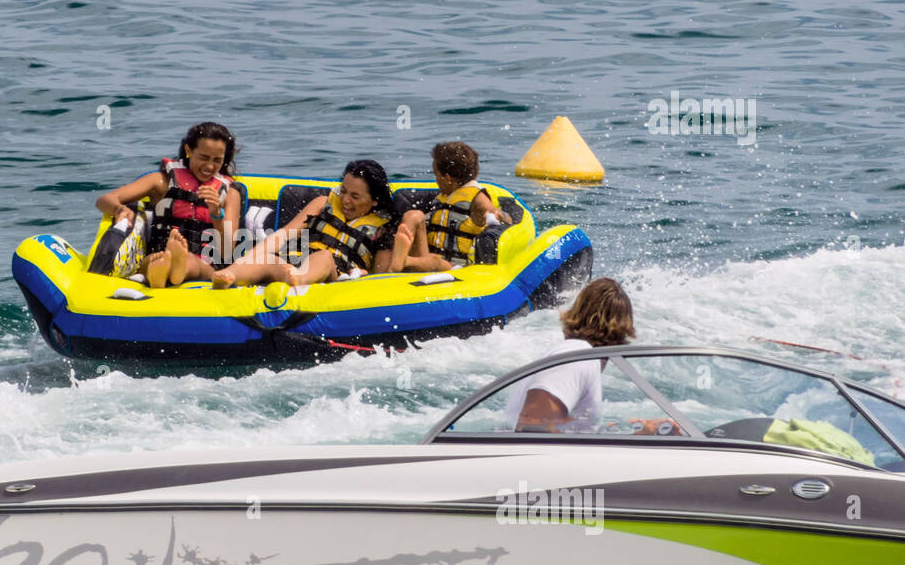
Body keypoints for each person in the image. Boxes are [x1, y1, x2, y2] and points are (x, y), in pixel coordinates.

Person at [93, 122, 242, 288]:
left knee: (190, 262)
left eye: (217, 161)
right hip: (160, 253)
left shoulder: (229, 194)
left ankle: (168, 271)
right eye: (204, 157)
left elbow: (227, 251)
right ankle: (166, 268)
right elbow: (105, 200)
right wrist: (120, 209)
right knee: (153, 259)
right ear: (188, 150)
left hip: (204, 265)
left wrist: (216, 213)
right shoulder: (160, 182)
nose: (209, 166)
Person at [213, 159, 395, 288]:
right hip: (294, 265)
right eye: (343, 191)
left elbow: (378, 277)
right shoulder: (322, 203)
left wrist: (364, 275)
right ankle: (230, 277)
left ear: (374, 201)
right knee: (268, 260)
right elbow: (283, 235)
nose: (345, 200)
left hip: (335, 277)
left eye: (355, 196)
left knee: (324, 257)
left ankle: (299, 279)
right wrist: (248, 258)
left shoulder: (383, 228)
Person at [506, 277, 646, 432]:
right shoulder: (579, 358)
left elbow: (559, 427)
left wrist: (639, 431)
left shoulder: (574, 355)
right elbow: (531, 427)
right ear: (623, 328)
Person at [386, 142, 512, 273]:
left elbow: (492, 210)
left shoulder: (476, 196)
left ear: (447, 178)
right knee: (413, 215)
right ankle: (394, 265)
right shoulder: (445, 196)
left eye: (436, 175)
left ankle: (404, 261)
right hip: (428, 260)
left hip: (457, 269)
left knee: (435, 261)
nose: (436, 180)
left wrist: (495, 215)